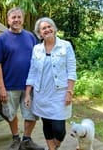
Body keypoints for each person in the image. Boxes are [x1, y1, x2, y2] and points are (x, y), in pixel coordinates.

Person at [0, 7, 44, 150]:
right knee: (11, 114)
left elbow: (39, 59)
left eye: (19, 17)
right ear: (8, 20)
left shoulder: (30, 37)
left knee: (32, 114)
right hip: (9, 85)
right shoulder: (1, 39)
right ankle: (16, 138)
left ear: (22, 19)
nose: (16, 20)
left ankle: (27, 140)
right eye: (13, 17)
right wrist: (1, 87)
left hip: (30, 86)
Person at [24, 17, 77, 150]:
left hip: (60, 94)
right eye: (43, 28)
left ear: (54, 29)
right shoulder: (36, 49)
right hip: (41, 94)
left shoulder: (66, 46)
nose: (47, 30)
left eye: (49, 26)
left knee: (59, 130)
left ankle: (54, 146)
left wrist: (69, 92)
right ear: (39, 33)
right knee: (47, 124)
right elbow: (32, 72)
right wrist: (27, 94)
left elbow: (71, 70)